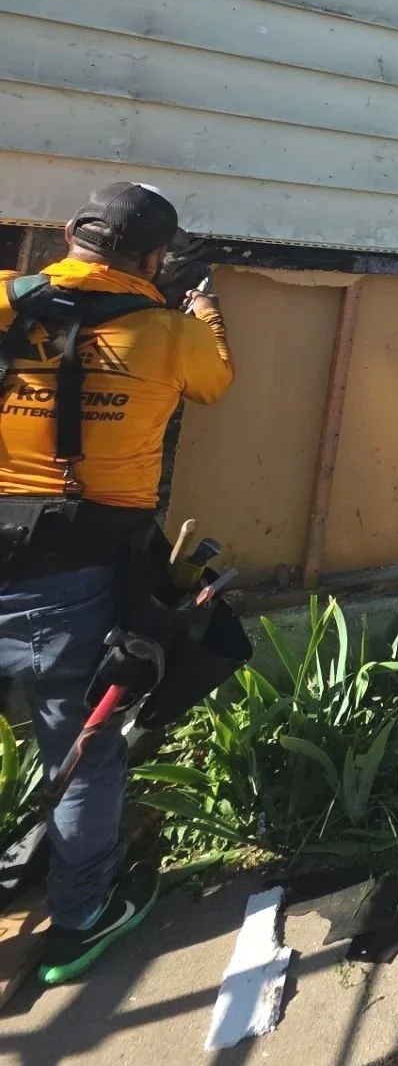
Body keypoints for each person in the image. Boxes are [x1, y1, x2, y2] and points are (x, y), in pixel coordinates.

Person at [0, 181, 233, 984]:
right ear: (156, 259)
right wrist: (201, 307)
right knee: (82, 748)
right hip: (72, 571)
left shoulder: (4, 301)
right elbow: (215, 381)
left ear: (68, 233)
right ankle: (78, 923)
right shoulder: (172, 335)